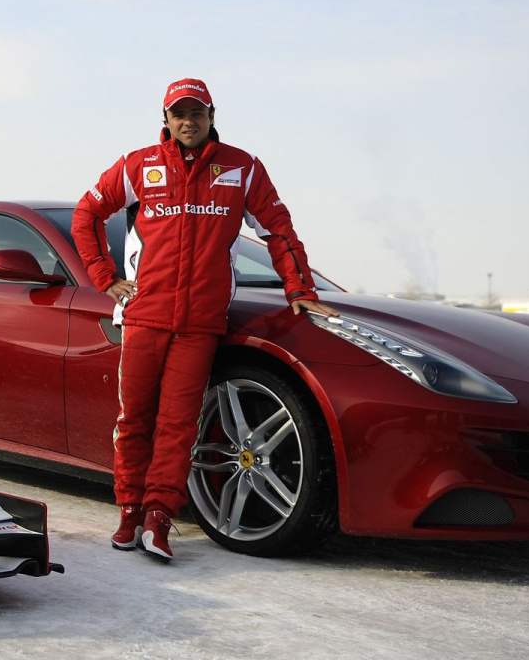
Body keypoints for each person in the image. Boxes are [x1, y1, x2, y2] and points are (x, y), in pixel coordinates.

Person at [71, 78, 334, 562]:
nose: (187, 121)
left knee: (179, 424)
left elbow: (278, 229)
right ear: (166, 120)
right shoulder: (138, 165)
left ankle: (158, 517)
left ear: (212, 116)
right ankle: (129, 511)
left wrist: (300, 290)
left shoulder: (243, 168)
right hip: (145, 315)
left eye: (197, 113)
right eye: (179, 114)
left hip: (200, 322)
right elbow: (86, 214)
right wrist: (106, 278)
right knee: (133, 420)